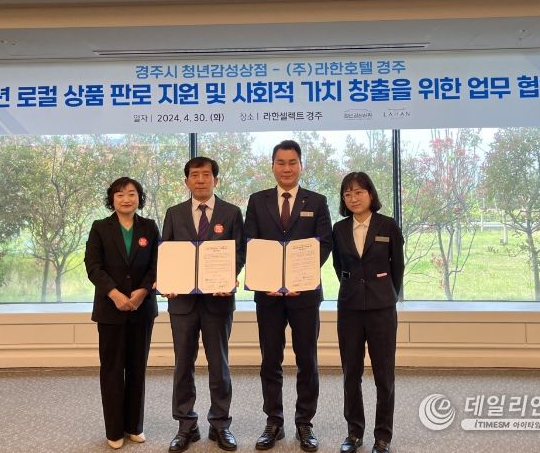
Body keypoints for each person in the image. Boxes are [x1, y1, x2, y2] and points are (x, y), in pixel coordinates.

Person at [244, 140, 332, 452]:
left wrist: (300, 276)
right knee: (271, 359)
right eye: (280, 162)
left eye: (292, 162)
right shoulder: (257, 201)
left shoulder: (317, 201)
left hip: (304, 294)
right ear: (272, 166)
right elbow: (250, 242)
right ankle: (274, 421)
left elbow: (324, 243)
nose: (286, 168)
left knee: (307, 359)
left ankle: (305, 422)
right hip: (268, 295)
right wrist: (265, 277)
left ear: (301, 165)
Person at [161, 157, 246, 453]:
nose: (200, 180)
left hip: (217, 302)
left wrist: (230, 276)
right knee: (183, 364)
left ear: (215, 180)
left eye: (206, 175)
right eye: (194, 175)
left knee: (219, 365)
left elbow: (239, 252)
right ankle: (186, 425)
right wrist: (167, 281)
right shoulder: (174, 213)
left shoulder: (231, 212)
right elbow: (166, 252)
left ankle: (220, 424)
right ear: (186, 181)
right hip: (182, 303)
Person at [85, 177, 160, 450]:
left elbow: (157, 263)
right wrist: (115, 294)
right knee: (113, 370)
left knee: (137, 368)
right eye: (120, 195)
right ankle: (115, 430)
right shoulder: (100, 227)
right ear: (112, 199)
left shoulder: (149, 227)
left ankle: (134, 426)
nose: (126, 199)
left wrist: (142, 291)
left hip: (142, 308)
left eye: (131, 194)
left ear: (139, 197)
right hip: (110, 309)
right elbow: (93, 266)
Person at [331, 172, 404, 453]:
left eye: (359, 192)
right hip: (349, 308)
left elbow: (397, 267)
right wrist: (355, 288)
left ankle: (383, 436)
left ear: (371, 194)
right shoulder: (339, 229)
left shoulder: (388, 225)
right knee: (351, 373)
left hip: (382, 309)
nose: (353, 198)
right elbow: (339, 267)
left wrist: (385, 293)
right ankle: (354, 433)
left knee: (384, 375)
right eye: (347, 194)